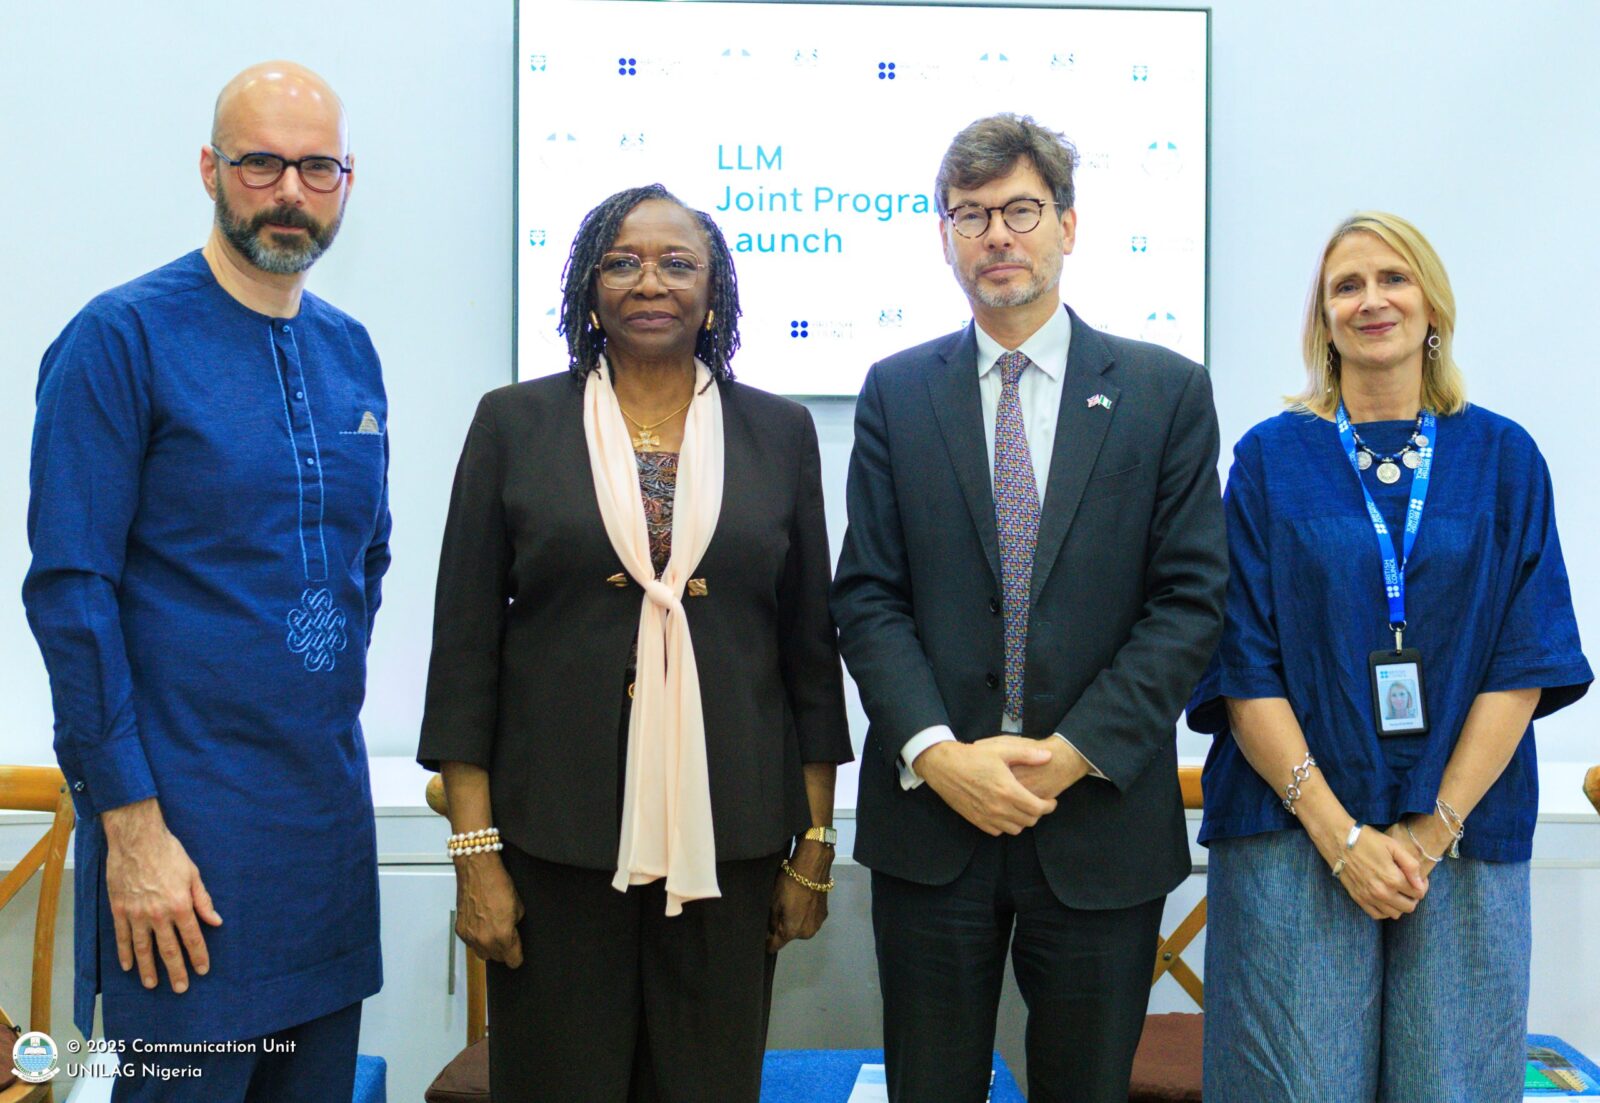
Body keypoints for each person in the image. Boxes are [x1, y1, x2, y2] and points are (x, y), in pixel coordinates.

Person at [416, 184, 852, 1102]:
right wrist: (475, 853)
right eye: (622, 262)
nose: (649, 281)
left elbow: (810, 655)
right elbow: (464, 652)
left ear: (714, 293)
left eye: (677, 263)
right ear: (588, 288)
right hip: (553, 840)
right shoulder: (513, 423)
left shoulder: (780, 432)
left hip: (731, 840)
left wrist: (814, 843)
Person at [830, 113, 1227, 1102]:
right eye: (970, 215)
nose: (996, 235)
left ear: (1068, 225)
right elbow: (868, 594)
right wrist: (936, 752)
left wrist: (1072, 751)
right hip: (932, 820)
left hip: (1097, 819)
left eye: (1020, 210)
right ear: (945, 236)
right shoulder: (895, 391)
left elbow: (1189, 602)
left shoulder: (1164, 391)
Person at [24, 62, 388, 1100]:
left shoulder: (351, 350)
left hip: (323, 841)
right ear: (209, 168)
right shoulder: (119, 339)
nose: (289, 192)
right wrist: (130, 828)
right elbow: (71, 595)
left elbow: (364, 561)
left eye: (316, 168)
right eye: (260, 163)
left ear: (347, 178)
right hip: (179, 853)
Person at [1189, 211, 1592, 1101]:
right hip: (1291, 829)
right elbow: (1243, 664)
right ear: (1324, 320)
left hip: (1463, 835)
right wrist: (1340, 837)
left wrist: (1430, 829)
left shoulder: (1505, 457)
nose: (1372, 299)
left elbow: (1524, 661)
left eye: (1393, 278)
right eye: (1347, 285)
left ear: (1432, 306)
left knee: (1450, 1086)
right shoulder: (1268, 459)